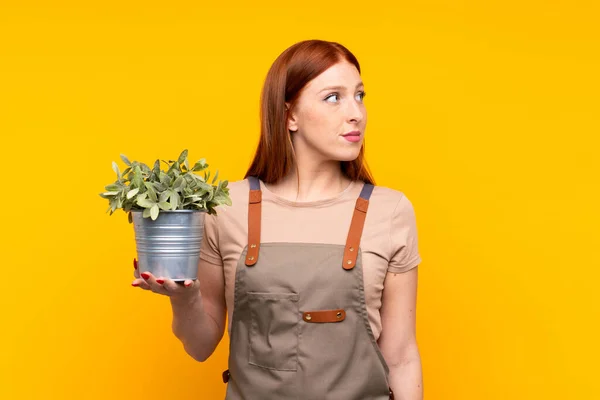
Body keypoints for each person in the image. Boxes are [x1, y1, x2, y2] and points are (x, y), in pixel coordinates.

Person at [131, 39, 423, 400]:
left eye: (360, 96)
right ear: (290, 115)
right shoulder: (226, 207)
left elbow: (402, 357)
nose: (356, 113)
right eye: (334, 97)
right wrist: (183, 299)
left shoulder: (390, 211)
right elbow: (200, 346)